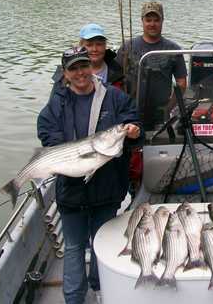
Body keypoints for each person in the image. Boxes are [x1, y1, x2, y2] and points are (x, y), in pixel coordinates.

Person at [38, 47, 142, 304]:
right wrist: (64, 155)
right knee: (73, 248)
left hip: (107, 189)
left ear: (91, 66)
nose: (80, 72)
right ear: (65, 74)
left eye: (83, 65)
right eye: (73, 68)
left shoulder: (115, 98)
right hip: (71, 194)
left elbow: (134, 122)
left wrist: (133, 131)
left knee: (101, 245)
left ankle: (100, 289)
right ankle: (73, 299)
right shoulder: (55, 105)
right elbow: (47, 134)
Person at [116, 1, 187, 121]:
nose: (152, 24)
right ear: (142, 21)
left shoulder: (173, 49)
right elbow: (115, 80)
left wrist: (168, 108)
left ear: (162, 21)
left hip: (160, 112)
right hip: (131, 111)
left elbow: (181, 83)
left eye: (156, 20)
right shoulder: (127, 47)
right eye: (148, 20)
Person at [51, 23, 124, 94]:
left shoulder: (117, 71)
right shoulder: (65, 74)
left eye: (99, 44)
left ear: (105, 46)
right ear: (80, 46)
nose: (94, 49)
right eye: (89, 45)